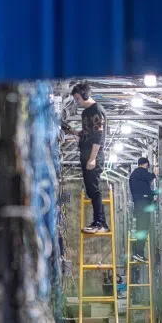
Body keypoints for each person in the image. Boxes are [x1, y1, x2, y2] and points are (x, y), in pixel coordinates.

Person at [71, 81, 109, 234]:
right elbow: (87, 133)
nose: (76, 101)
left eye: (77, 98)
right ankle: (98, 222)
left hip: (94, 155)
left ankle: (100, 223)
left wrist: (92, 158)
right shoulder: (85, 113)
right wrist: (73, 132)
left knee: (94, 188)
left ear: (85, 95)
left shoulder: (96, 110)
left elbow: (98, 136)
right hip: (85, 153)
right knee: (90, 189)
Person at [129, 157, 156, 261]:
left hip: (139, 205)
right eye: (148, 166)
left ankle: (137, 253)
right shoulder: (140, 171)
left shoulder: (136, 175)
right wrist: (156, 173)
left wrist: (152, 194)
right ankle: (139, 253)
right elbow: (150, 177)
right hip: (143, 205)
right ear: (146, 164)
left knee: (141, 228)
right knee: (143, 229)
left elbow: (144, 189)